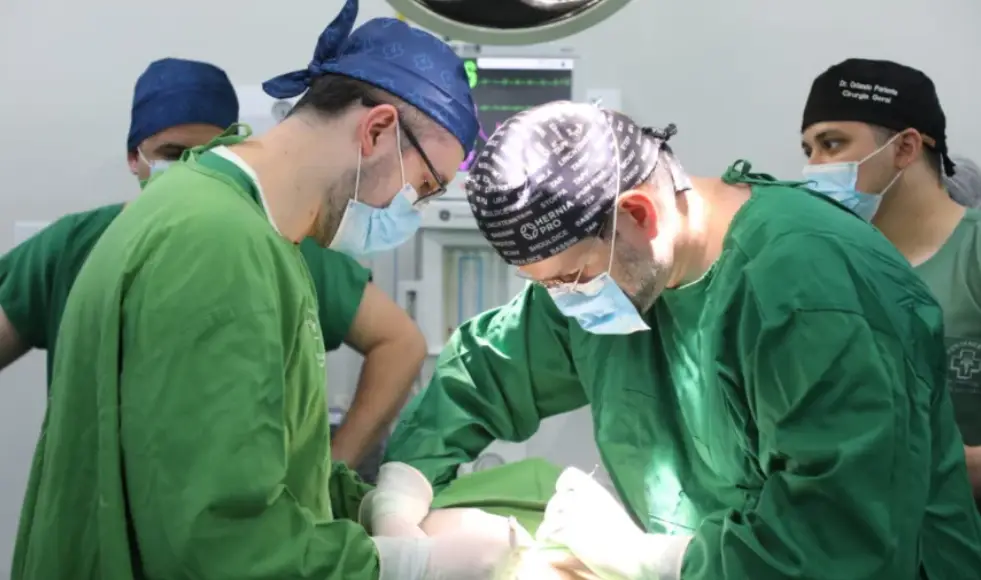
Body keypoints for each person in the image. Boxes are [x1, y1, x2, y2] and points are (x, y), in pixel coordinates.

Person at [8, 0, 520, 577]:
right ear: (376, 131)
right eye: (423, 186)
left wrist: (367, 507)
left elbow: (262, 467)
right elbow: (222, 542)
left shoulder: (258, 233)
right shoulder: (217, 244)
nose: (413, 210)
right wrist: (400, 566)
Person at [384, 100, 981, 578]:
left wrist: (648, 560)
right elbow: (483, 374)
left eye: (571, 276)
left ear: (640, 214)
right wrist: (397, 500)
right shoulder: (611, 273)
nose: (565, 299)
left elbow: (843, 544)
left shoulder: (812, 292)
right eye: (546, 284)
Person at [0, 56, 424, 471]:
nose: (191, 170)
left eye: (207, 154)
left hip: (239, 504)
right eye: (172, 153)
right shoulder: (74, 247)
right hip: (99, 499)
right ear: (134, 157)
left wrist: (332, 468)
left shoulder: (280, 242)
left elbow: (400, 344)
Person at [799, 59, 981, 504]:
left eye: (832, 144)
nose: (814, 167)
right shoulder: (830, 266)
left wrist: (931, 463)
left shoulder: (972, 255)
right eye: (808, 150)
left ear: (905, 148)